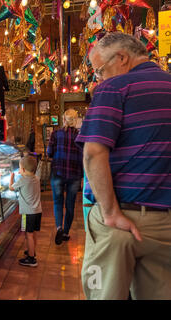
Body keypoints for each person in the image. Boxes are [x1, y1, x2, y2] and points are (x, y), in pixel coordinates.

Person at [76, 32, 171, 300]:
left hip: (120, 222)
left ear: (121, 58)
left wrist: (109, 213)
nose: (99, 79)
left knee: (101, 293)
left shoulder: (114, 88)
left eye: (99, 71)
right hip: (166, 223)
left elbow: (93, 154)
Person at [47, 108, 83, 245]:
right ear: (75, 120)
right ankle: (66, 232)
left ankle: (59, 228)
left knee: (57, 202)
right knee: (70, 205)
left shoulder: (56, 134)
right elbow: (82, 157)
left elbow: (49, 152)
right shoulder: (80, 136)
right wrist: (83, 177)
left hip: (58, 172)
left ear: (63, 119)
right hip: (74, 175)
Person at [9, 156, 42, 267]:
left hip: (28, 213)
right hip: (37, 211)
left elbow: (11, 188)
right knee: (33, 234)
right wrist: (22, 173)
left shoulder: (22, 180)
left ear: (22, 169)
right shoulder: (36, 178)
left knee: (28, 235)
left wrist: (12, 177)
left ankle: (31, 259)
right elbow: (28, 179)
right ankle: (31, 251)